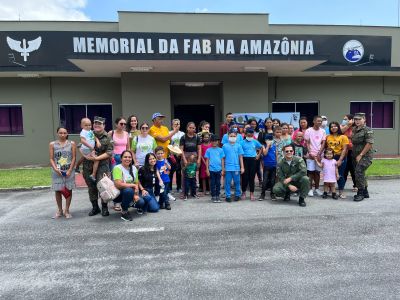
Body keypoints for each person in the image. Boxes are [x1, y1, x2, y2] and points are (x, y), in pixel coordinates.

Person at [82, 116, 113, 217]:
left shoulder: (108, 137)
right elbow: (81, 146)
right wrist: (85, 156)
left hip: (102, 166)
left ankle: (104, 207)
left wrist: (96, 158)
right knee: (91, 187)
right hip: (88, 166)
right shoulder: (88, 133)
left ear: (104, 125)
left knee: (103, 186)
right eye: (95, 123)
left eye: (99, 123)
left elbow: (109, 152)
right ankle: (95, 207)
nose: (97, 125)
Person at [112, 150, 149, 221]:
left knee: (141, 202)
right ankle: (124, 210)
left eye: (129, 157)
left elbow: (136, 182)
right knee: (128, 191)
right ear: (121, 158)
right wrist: (132, 185)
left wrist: (136, 194)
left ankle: (129, 203)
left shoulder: (134, 168)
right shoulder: (117, 168)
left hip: (132, 192)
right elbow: (118, 185)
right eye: (125, 157)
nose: (127, 159)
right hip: (119, 194)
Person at [49, 126, 76, 219]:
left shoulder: (72, 144)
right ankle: (60, 211)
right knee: (58, 190)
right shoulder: (52, 144)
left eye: (64, 133)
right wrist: (55, 169)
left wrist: (70, 170)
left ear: (67, 133)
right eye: (60, 133)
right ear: (57, 133)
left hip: (68, 170)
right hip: (57, 171)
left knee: (68, 189)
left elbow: (73, 158)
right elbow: (51, 159)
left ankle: (67, 210)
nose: (63, 135)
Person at [352, 112, 374, 201]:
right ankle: (365, 192)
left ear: (364, 119)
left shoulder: (368, 130)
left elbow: (369, 143)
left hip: (365, 156)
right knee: (361, 173)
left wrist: (361, 155)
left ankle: (360, 193)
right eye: (355, 119)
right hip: (355, 155)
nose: (357, 121)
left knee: (359, 172)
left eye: (359, 119)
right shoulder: (354, 129)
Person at [326, 121, 349, 198]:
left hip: (340, 157)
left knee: (340, 175)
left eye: (335, 126)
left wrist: (340, 160)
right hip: (330, 158)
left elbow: (344, 149)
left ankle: (341, 192)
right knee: (330, 174)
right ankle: (330, 190)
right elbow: (326, 148)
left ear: (338, 127)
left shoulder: (343, 137)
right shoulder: (328, 137)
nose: (333, 128)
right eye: (331, 126)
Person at [304, 115, 326, 197]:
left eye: (321, 121)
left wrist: (319, 153)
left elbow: (323, 143)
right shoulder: (308, 130)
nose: (319, 122)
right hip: (310, 155)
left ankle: (316, 189)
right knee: (310, 172)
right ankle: (310, 189)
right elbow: (307, 143)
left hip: (319, 155)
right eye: (318, 121)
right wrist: (310, 152)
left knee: (317, 173)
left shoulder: (323, 131)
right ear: (314, 121)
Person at [180, 122, 201, 198]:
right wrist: (184, 159)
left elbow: (199, 148)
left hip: (194, 157)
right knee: (184, 175)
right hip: (185, 156)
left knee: (194, 174)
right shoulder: (183, 137)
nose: (191, 129)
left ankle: (194, 192)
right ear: (187, 128)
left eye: (193, 128)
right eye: (190, 127)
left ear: (195, 129)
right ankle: (184, 192)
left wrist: (198, 159)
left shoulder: (197, 137)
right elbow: (181, 149)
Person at [222, 129, 244, 202]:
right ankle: (228, 196)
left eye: (234, 136)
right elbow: (223, 158)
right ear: (228, 136)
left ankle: (237, 195)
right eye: (231, 136)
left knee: (237, 182)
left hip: (236, 168)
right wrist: (223, 168)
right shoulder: (224, 146)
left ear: (237, 137)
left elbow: (240, 157)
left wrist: (242, 167)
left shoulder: (239, 146)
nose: (232, 137)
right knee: (227, 182)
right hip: (228, 168)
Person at [240, 127, 262, 200]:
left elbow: (261, 147)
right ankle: (243, 192)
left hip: (253, 160)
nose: (250, 136)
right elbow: (239, 152)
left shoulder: (255, 141)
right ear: (246, 134)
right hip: (244, 160)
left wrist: (258, 155)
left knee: (252, 177)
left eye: (251, 135)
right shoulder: (242, 142)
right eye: (248, 135)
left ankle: (252, 193)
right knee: (244, 177)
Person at [205, 135, 225, 203]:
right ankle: (213, 196)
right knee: (212, 183)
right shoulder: (208, 150)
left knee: (218, 183)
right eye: (213, 141)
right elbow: (207, 160)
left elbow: (222, 160)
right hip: (211, 170)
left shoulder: (221, 150)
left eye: (216, 141)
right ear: (211, 142)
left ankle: (217, 195)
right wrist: (207, 169)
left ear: (218, 142)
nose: (214, 142)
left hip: (219, 169)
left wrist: (223, 169)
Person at [340, 114, 357, 192]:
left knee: (353, 168)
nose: (344, 120)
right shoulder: (342, 126)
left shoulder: (355, 127)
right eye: (344, 119)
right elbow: (341, 132)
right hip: (344, 151)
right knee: (344, 169)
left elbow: (355, 137)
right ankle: (342, 185)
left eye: (346, 119)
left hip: (353, 151)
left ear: (351, 120)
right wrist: (347, 125)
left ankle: (356, 185)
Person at [259, 132, 277, 201]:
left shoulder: (275, 146)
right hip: (266, 166)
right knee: (265, 180)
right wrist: (268, 146)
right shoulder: (263, 146)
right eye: (268, 139)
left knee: (273, 180)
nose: (269, 141)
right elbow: (265, 153)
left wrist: (277, 164)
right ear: (265, 140)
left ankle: (272, 193)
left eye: (270, 139)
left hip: (273, 166)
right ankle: (262, 194)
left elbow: (276, 156)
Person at [169, 119, 185, 193]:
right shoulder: (169, 133)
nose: (177, 125)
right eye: (175, 124)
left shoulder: (182, 134)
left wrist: (181, 153)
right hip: (172, 155)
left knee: (179, 171)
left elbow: (184, 145)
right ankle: (169, 187)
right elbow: (168, 144)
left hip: (180, 155)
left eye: (178, 124)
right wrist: (171, 153)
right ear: (172, 125)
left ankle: (179, 187)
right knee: (171, 171)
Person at [248, 119, 263, 187]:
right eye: (252, 124)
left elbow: (261, 143)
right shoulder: (247, 132)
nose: (253, 125)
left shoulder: (259, 132)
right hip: (249, 153)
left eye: (254, 124)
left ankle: (260, 181)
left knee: (257, 167)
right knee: (250, 168)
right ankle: (251, 182)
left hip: (258, 152)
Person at [199, 131, 212, 196]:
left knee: (209, 177)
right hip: (203, 163)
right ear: (203, 138)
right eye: (205, 137)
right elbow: (200, 155)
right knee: (203, 178)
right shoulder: (201, 145)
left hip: (210, 163)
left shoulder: (211, 145)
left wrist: (209, 162)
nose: (206, 138)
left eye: (207, 137)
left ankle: (210, 190)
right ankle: (204, 191)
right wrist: (204, 162)